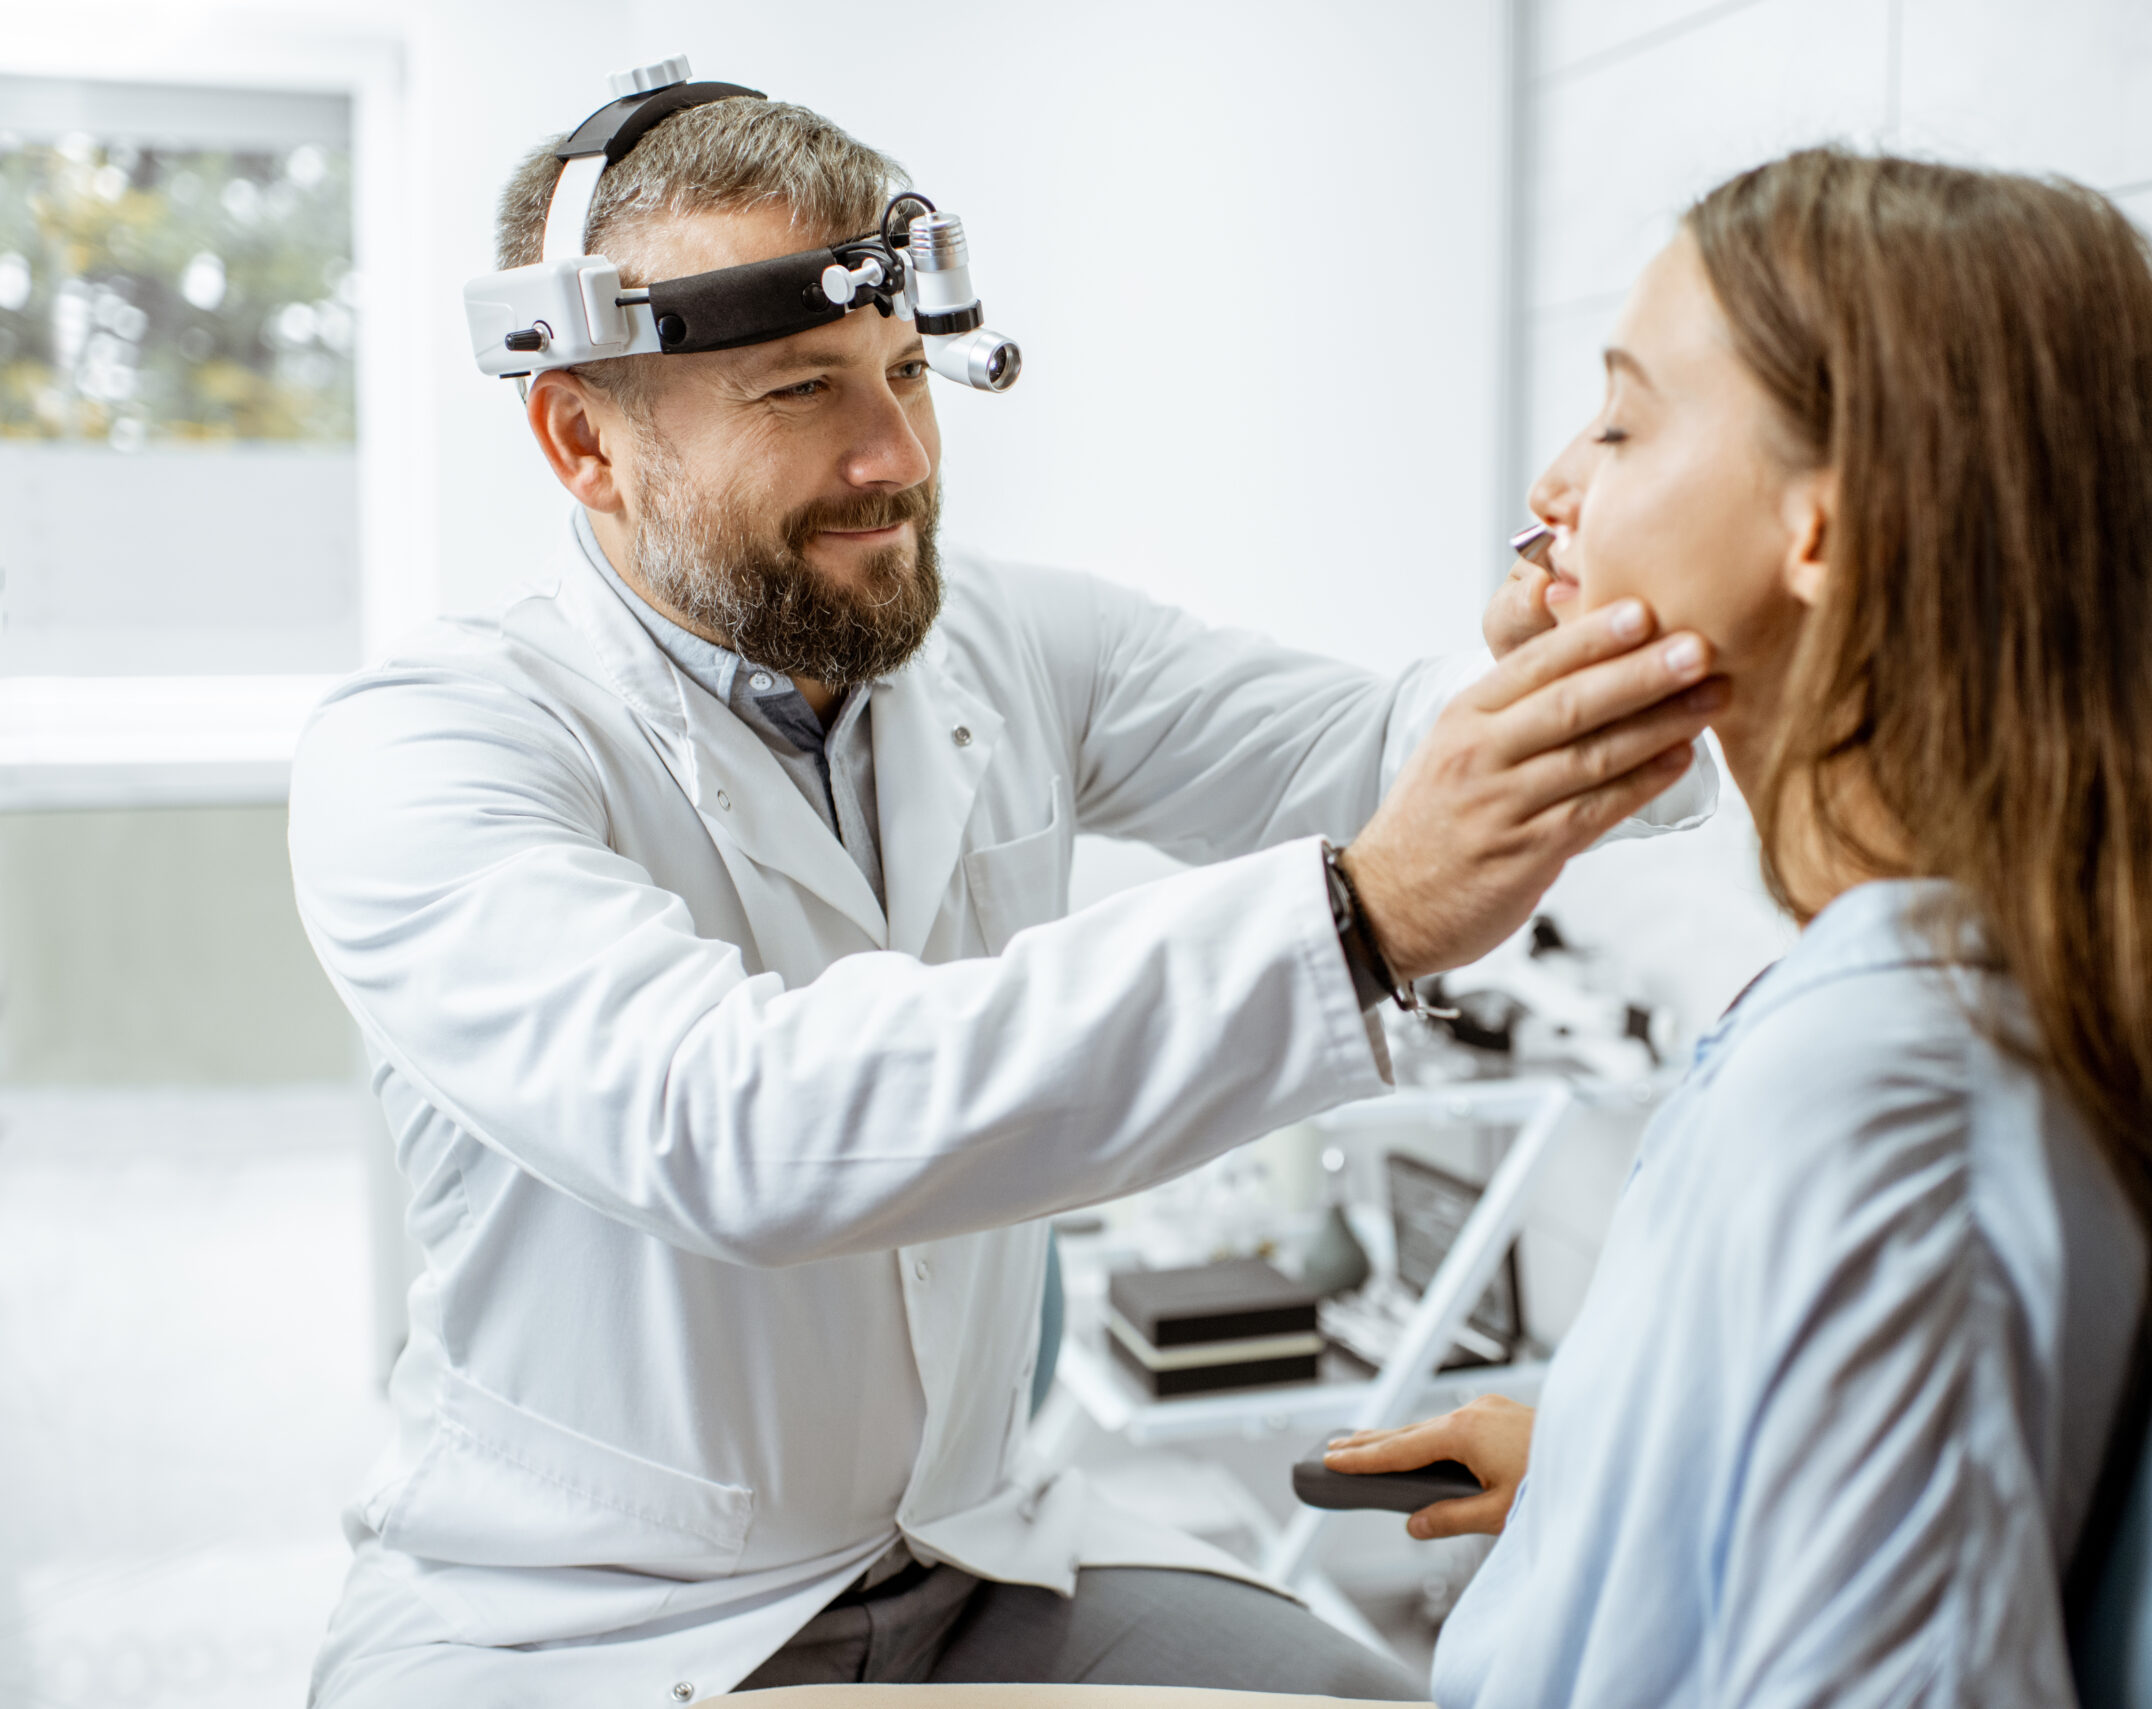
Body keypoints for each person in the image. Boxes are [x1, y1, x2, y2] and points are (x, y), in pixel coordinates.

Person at [286, 93, 1728, 1706]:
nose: (895, 457)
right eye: (800, 391)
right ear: (583, 441)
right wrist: (1354, 922)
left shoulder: (1008, 648)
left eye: (908, 372)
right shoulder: (428, 752)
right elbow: (733, 1121)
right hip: (593, 1627)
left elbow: (1384, 750)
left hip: (973, 1554)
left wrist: (1594, 659)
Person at [1325, 148, 2152, 1706]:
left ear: (1823, 532)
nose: (1554, 488)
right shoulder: (1923, 993)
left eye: (1622, 421)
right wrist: (1597, 1463)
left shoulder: (1892, 1094)